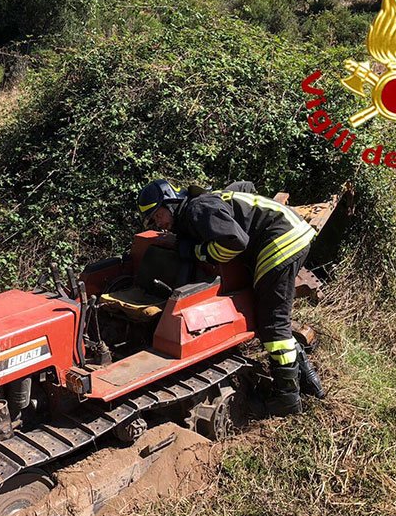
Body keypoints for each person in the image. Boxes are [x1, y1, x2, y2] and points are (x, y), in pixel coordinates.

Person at [136, 178, 325, 416]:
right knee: (276, 315)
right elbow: (245, 187)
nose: (158, 224)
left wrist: (198, 251)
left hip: (280, 240)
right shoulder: (199, 203)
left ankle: (286, 400)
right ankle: (310, 383)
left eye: (156, 217)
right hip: (291, 233)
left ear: (169, 203)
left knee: (273, 325)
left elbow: (235, 242)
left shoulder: (197, 209)